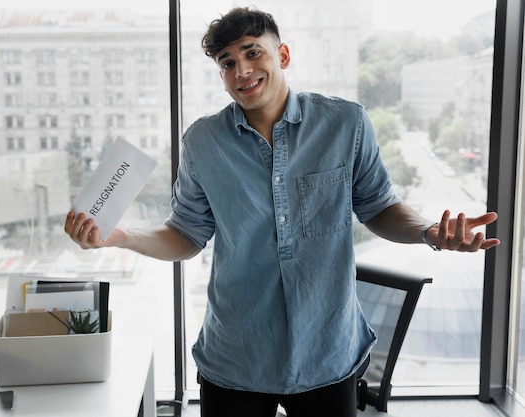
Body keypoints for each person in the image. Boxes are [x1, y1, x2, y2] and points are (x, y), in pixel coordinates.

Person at [65, 7, 500, 417]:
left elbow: (380, 206)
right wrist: (120, 236)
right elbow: (186, 234)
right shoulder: (202, 142)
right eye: (227, 62)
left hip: (327, 354)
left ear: (283, 54)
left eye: (252, 52)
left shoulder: (346, 123)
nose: (242, 71)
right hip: (237, 357)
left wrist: (429, 231)